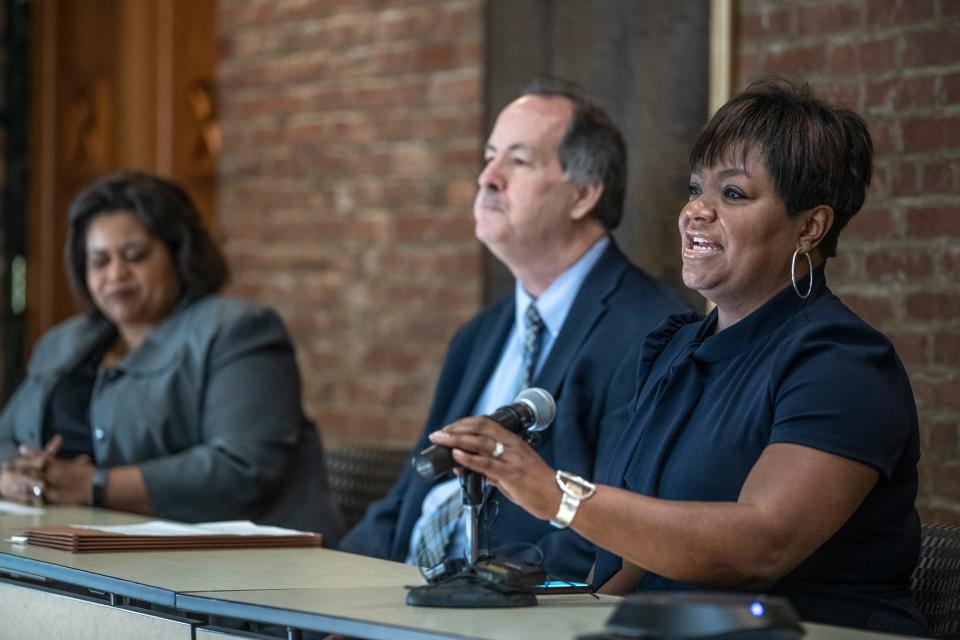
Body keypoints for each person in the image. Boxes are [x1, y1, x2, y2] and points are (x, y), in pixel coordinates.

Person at [429, 78, 929, 636]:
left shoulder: (842, 364)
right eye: (696, 190)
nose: (696, 212)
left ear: (810, 227)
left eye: (733, 194)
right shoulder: (676, 346)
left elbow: (757, 548)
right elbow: (636, 558)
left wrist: (555, 495)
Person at [339, 78, 689, 581]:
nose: (487, 177)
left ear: (584, 193)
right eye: (489, 156)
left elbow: (618, 534)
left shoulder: (652, 332)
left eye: (518, 161)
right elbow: (406, 499)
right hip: (402, 594)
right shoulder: (478, 334)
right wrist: (324, 591)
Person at [0, 171, 345, 543]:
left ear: (179, 253)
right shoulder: (64, 342)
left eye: (135, 256)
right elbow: (7, 436)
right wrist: (14, 474)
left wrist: (94, 485)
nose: (116, 274)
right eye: (99, 261)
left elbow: (242, 467)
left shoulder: (238, 330)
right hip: (76, 553)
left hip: (234, 566)